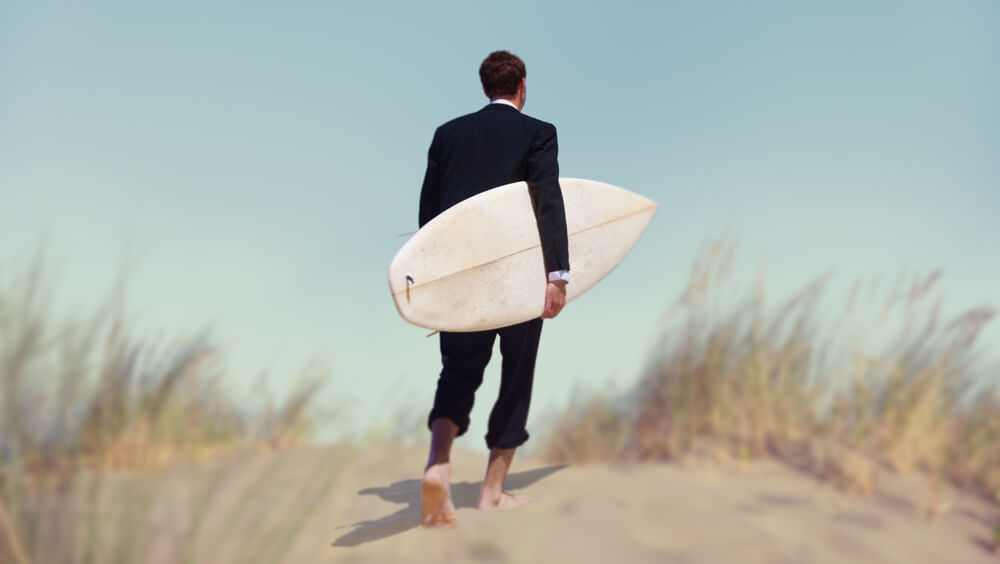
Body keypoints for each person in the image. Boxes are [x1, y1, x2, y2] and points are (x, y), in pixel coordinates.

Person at [417, 50, 571, 528]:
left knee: (457, 371)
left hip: (462, 276)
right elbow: (547, 198)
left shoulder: (448, 134)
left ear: (485, 88)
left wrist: (434, 276)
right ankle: (491, 492)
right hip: (518, 276)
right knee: (516, 374)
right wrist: (557, 274)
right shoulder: (538, 132)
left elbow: (430, 213)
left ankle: (438, 465)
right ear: (522, 86)